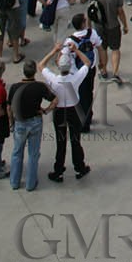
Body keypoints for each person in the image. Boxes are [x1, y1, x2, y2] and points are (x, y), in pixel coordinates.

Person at [41, 40, 91, 182]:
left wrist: (54, 50)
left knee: (60, 142)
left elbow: (41, 65)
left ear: (58, 66)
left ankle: (58, 170)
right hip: (74, 110)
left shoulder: (54, 80)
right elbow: (87, 63)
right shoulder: (75, 78)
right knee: (76, 141)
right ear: (70, 66)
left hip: (59, 112)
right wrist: (76, 50)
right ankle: (80, 167)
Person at [7, 57, 55, 192]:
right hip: (35, 122)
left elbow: (9, 108)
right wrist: (46, 110)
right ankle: (30, 183)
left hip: (20, 123)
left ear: (23, 72)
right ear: (34, 72)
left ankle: (14, 182)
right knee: (33, 154)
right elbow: (55, 98)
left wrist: (11, 122)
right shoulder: (39, 87)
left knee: (17, 152)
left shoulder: (15, 87)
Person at [93, 0, 128, 85]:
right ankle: (116, 73)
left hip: (99, 26)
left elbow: (90, 11)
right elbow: (120, 12)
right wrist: (125, 25)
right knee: (115, 49)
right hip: (113, 25)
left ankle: (103, 70)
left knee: (102, 49)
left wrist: (89, 26)